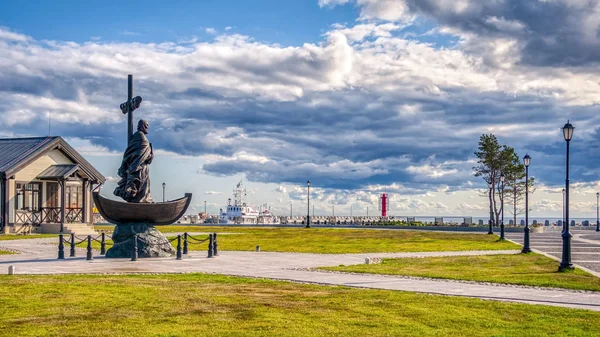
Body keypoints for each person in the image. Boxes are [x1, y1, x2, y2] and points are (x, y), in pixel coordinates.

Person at [114, 119, 153, 203]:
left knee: (144, 186)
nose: (147, 127)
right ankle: (140, 200)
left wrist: (149, 155)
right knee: (140, 185)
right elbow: (137, 152)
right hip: (139, 166)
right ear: (142, 126)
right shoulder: (140, 136)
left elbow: (143, 152)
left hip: (143, 167)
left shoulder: (140, 136)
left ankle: (143, 200)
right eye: (146, 125)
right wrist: (147, 155)